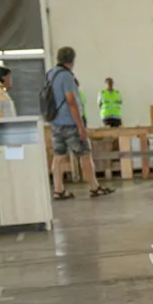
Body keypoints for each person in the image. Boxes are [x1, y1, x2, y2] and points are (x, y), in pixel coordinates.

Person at [47, 47, 114, 199]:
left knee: (58, 156)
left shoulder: (51, 74)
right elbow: (71, 101)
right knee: (85, 154)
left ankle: (58, 190)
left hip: (55, 122)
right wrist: (80, 126)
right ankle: (94, 187)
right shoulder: (66, 76)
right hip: (69, 122)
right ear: (72, 60)